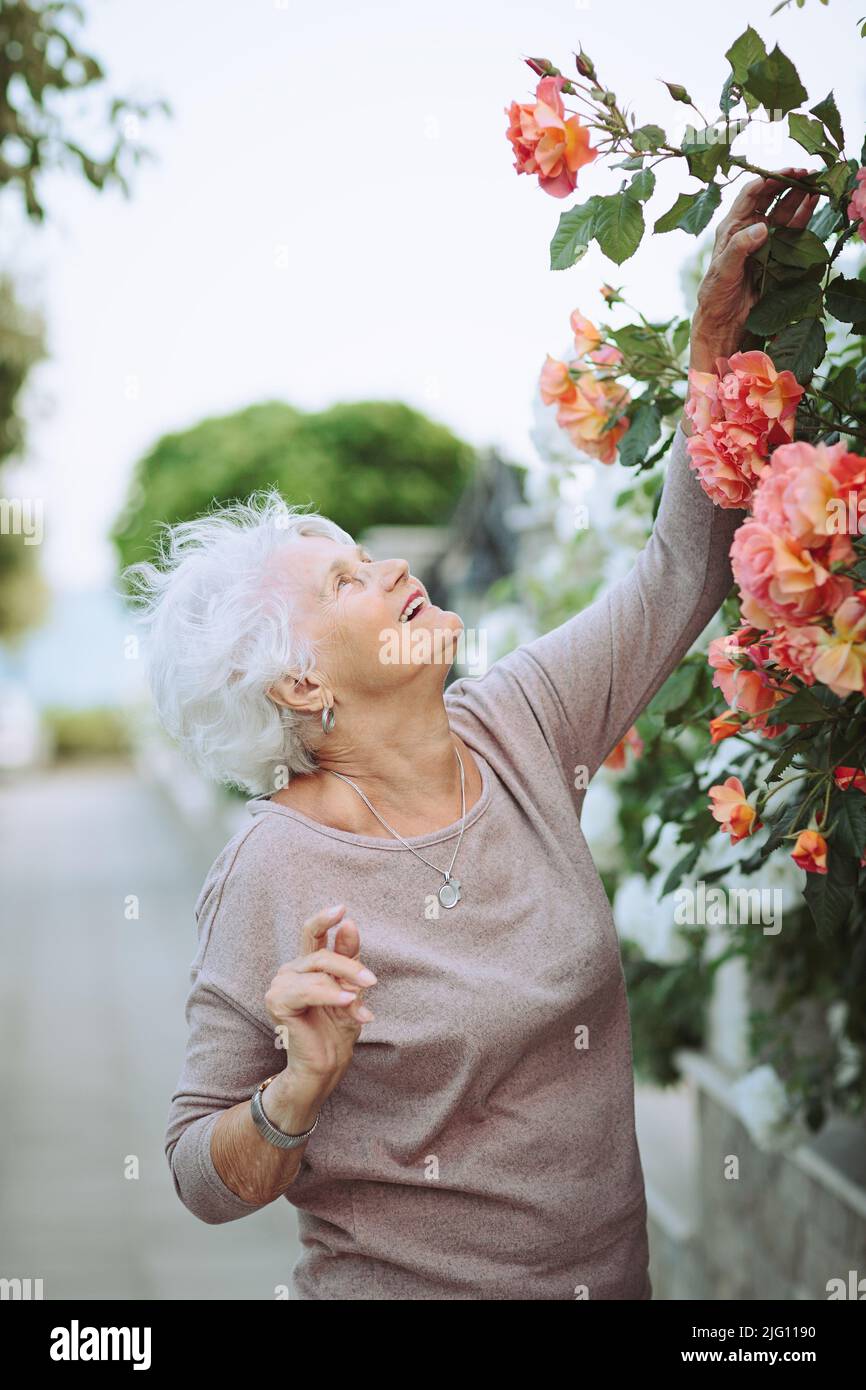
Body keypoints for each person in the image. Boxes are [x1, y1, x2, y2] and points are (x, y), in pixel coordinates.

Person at [135, 169, 818, 1300]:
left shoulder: (519, 718)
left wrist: (712, 336)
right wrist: (294, 1092)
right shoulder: (275, 864)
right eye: (350, 578)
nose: (397, 568)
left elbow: (678, 575)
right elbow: (199, 1169)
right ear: (301, 684)